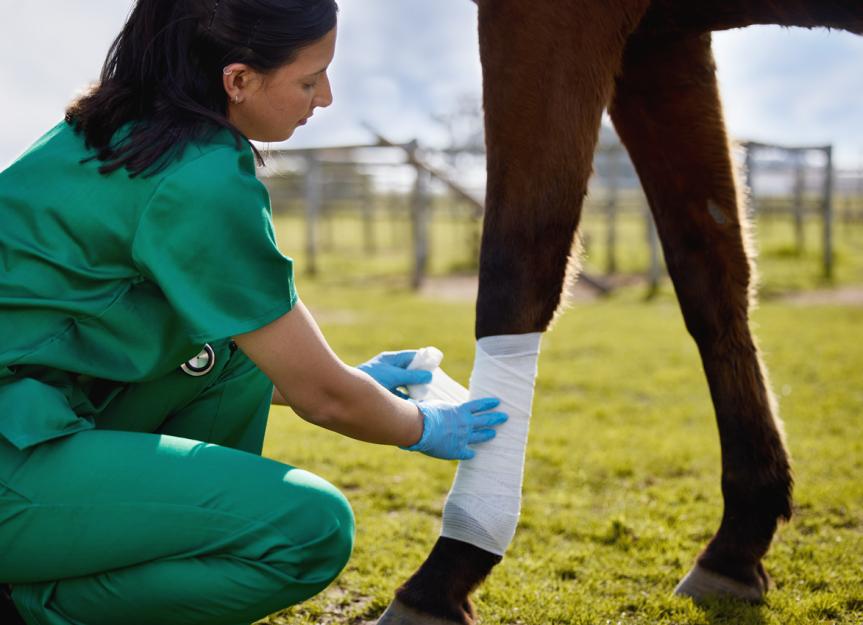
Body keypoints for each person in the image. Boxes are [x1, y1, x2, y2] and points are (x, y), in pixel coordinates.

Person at [0, 1, 508, 623]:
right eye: (308, 78)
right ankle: (27, 607)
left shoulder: (114, 129)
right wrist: (420, 425)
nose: (325, 97)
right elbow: (324, 397)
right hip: (14, 448)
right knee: (310, 531)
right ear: (237, 79)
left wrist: (352, 380)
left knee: (230, 358)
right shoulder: (198, 178)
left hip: (33, 410)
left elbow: (272, 364)